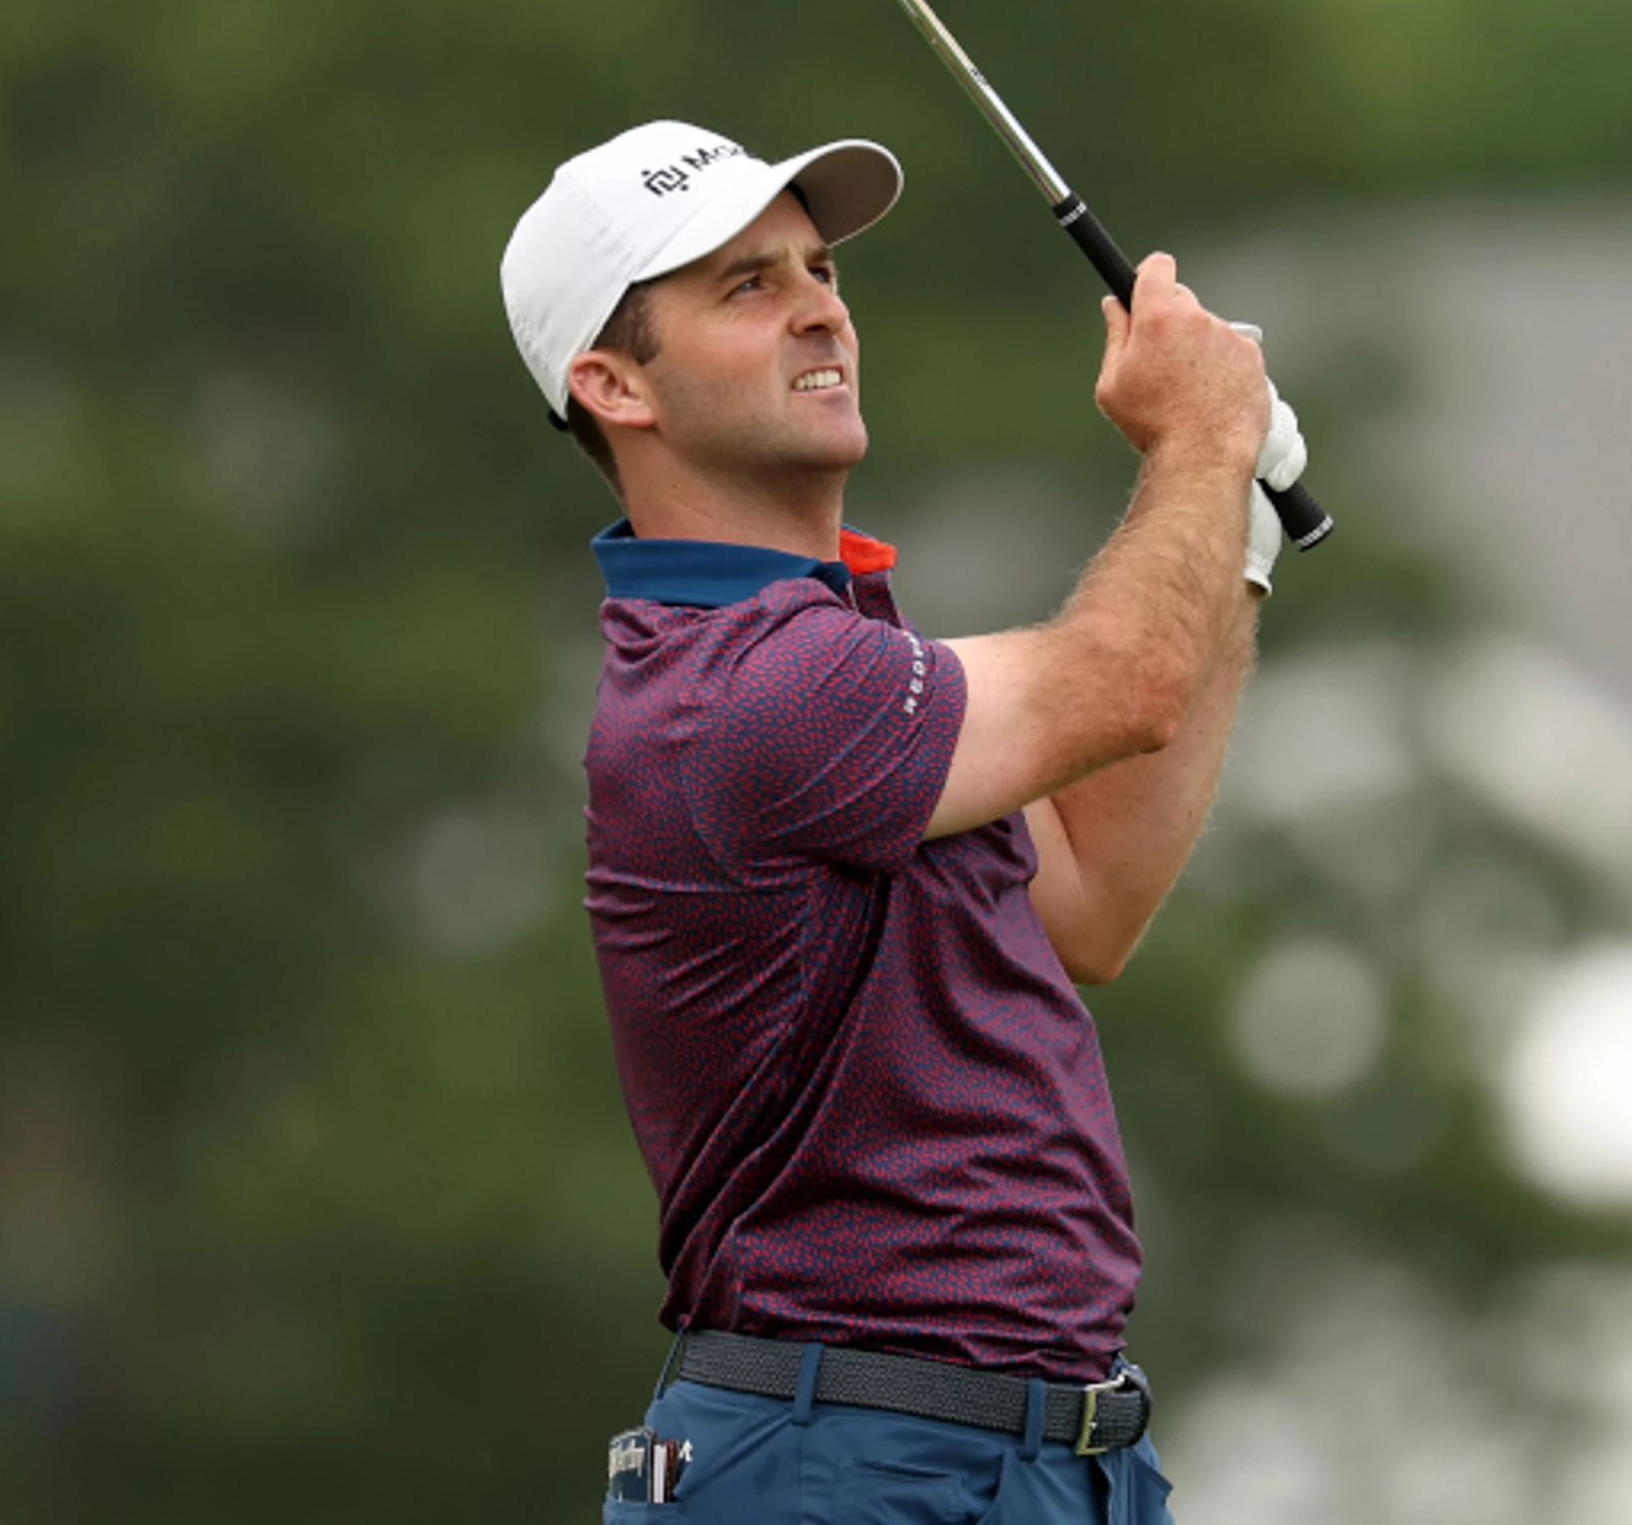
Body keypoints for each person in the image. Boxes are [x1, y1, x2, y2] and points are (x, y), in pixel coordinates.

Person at [499, 119, 1305, 1523]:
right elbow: (1128, 680)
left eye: (818, 267)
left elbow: (1093, 901)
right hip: (849, 1461)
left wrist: (1227, 526)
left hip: (1034, 1455)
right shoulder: (746, 687)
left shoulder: (848, 662)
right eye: (746, 286)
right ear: (613, 383)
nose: (821, 304)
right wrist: (1202, 439)